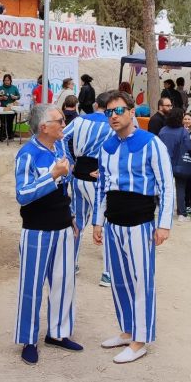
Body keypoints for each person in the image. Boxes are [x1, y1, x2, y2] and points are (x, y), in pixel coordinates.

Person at [93, 91, 174, 364]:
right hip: (113, 222)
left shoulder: (151, 143)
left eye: (118, 111)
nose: (113, 116)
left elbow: (166, 185)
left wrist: (163, 225)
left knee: (141, 281)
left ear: (131, 111)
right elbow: (102, 186)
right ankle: (128, 331)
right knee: (119, 280)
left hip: (140, 222)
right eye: (109, 112)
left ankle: (140, 340)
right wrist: (97, 221)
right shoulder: (106, 146)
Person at [14, 104, 83, 365]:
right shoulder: (27, 154)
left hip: (63, 226)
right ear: (44, 127)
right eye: (60, 121)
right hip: (37, 229)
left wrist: (71, 215)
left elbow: (66, 189)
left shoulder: (60, 147)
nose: (64, 124)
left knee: (64, 282)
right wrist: (52, 175)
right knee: (31, 286)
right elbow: (23, 194)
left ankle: (58, 333)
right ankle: (28, 340)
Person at [62, 92, 114, 287]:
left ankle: (72, 263)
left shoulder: (80, 120)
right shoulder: (112, 123)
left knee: (77, 221)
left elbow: (61, 137)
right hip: (99, 177)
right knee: (105, 223)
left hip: (78, 175)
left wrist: (70, 160)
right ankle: (107, 273)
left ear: (95, 104)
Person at [158, 107, 191, 222]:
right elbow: (188, 147)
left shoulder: (163, 130)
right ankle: (181, 213)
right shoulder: (183, 131)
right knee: (180, 188)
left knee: (164, 187)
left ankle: (163, 210)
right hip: (179, 163)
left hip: (163, 162)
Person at [0, 73, 20, 141]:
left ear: (10, 81)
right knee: (3, 122)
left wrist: (15, 97)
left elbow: (19, 96)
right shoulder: (0, 88)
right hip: (2, 108)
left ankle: (10, 136)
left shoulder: (14, 87)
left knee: (10, 122)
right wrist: (2, 98)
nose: (7, 82)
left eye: (8, 80)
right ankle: (2, 136)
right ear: (3, 81)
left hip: (11, 108)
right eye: (5, 80)